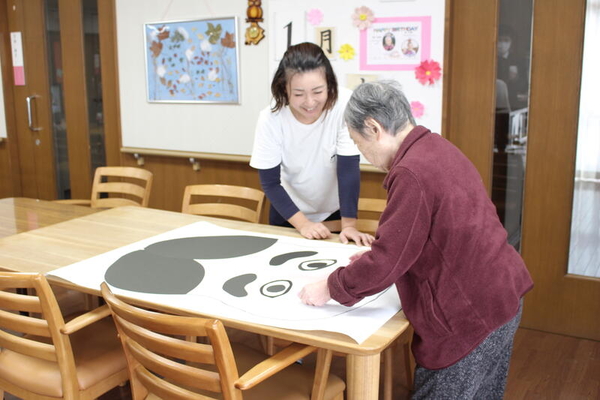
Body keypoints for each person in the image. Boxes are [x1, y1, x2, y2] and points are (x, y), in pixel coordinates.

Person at [298, 80, 534, 399]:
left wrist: (329, 286)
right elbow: (418, 241)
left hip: (471, 313)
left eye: (359, 143)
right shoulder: (435, 147)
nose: (364, 156)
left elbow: (386, 262)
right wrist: (376, 261)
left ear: (374, 127)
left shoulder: (411, 172)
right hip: (503, 294)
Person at [250, 42, 374, 246]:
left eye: (317, 92)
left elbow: (348, 170)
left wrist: (350, 225)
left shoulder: (345, 105)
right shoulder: (271, 118)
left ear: (330, 84)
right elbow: (270, 183)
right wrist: (303, 224)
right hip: (288, 213)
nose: (309, 102)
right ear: (284, 88)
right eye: (298, 94)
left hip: (336, 210)